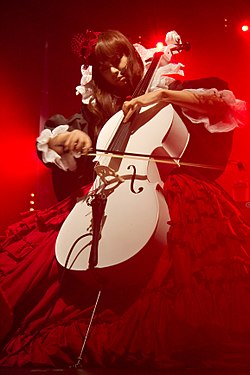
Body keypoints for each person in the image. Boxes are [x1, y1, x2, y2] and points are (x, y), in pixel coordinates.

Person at [0, 29, 250, 371]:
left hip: (168, 188)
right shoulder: (98, 111)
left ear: (132, 54)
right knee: (42, 254)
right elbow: (51, 144)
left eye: (118, 57)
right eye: (105, 66)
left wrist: (163, 95)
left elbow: (224, 104)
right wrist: (69, 139)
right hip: (111, 190)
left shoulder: (168, 85)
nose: (116, 68)